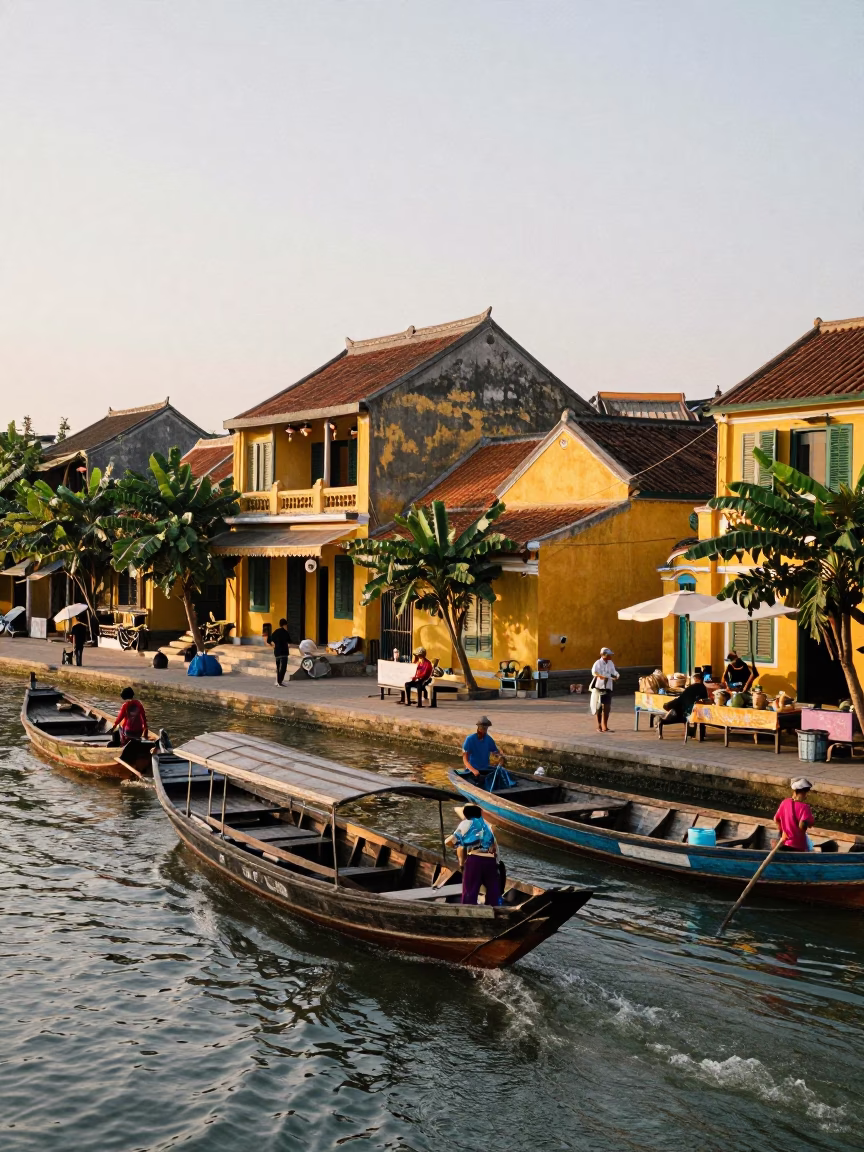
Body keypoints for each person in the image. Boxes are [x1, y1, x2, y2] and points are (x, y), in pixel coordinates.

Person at [446, 803, 501, 906]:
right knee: (492, 890)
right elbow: (495, 847)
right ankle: (493, 910)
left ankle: (468, 911)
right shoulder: (487, 827)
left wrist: (462, 863)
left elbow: (456, 844)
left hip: (475, 860)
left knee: (470, 890)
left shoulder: (466, 824)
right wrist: (496, 863)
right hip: (491, 861)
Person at [656, 672, 709, 739]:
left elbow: (682, 698)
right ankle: (695, 732)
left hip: (686, 710)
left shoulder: (692, 687)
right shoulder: (703, 688)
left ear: (697, 679)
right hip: (694, 709)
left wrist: (669, 705)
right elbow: (704, 699)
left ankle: (662, 722)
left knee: (674, 713)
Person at [462, 717, 505, 788]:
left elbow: (495, 752)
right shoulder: (470, 739)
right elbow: (465, 760)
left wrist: (500, 755)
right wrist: (473, 770)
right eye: (482, 728)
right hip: (472, 771)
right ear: (478, 728)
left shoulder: (488, 739)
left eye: (485, 729)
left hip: (485, 769)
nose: (484, 731)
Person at [774, 778, 814, 852]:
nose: (805, 796)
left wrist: (782, 833)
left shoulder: (784, 803)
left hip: (784, 843)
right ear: (802, 793)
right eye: (804, 793)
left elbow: (776, 819)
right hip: (798, 846)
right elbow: (802, 825)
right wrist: (809, 823)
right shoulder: (805, 807)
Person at [590, 647, 620, 732]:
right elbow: (594, 672)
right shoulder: (598, 663)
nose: (610, 657)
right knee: (598, 707)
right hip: (599, 687)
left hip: (608, 687)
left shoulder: (610, 663)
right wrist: (601, 676)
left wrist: (617, 675)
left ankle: (605, 726)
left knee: (607, 707)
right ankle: (599, 725)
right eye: (609, 655)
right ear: (604, 655)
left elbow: (613, 671)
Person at [268, 618, 291, 686]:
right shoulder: (285, 632)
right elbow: (289, 641)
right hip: (283, 653)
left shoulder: (276, 631)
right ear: (285, 625)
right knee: (283, 668)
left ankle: (278, 681)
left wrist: (272, 644)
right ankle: (279, 682)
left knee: (278, 668)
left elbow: (269, 639)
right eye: (286, 625)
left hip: (277, 652)